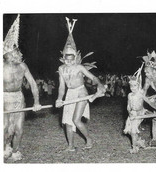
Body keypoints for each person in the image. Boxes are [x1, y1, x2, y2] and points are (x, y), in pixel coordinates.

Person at [55, 17, 105, 151]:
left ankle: (88, 138)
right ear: (63, 58)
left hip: (81, 92)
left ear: (75, 58)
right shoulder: (61, 69)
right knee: (67, 121)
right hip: (70, 94)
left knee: (76, 120)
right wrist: (60, 98)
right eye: (67, 59)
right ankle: (70, 146)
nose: (69, 62)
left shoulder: (79, 67)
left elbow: (93, 77)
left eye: (72, 60)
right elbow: (61, 86)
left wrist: (99, 85)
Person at [3, 14, 41, 161]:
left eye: (16, 50)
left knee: (18, 129)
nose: (17, 53)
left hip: (18, 98)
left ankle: (15, 151)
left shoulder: (23, 66)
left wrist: (36, 101)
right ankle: (5, 148)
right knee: (4, 128)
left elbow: (32, 84)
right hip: (3, 98)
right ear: (7, 53)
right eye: (14, 51)